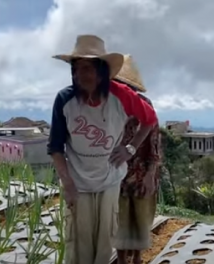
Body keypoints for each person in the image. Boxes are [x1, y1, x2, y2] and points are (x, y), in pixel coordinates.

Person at [47, 35, 158, 264]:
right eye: (76, 69)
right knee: (79, 242)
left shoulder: (121, 96)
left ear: (101, 71)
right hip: (77, 181)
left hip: (109, 179)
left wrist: (130, 148)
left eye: (87, 68)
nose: (81, 74)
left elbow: (150, 119)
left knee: (105, 241)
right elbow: (56, 147)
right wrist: (67, 182)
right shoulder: (65, 100)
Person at [113, 55, 161, 264]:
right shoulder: (109, 106)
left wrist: (151, 173)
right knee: (120, 220)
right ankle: (123, 259)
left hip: (141, 172)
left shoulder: (144, 104)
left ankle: (138, 259)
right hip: (116, 173)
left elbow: (154, 139)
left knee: (140, 219)